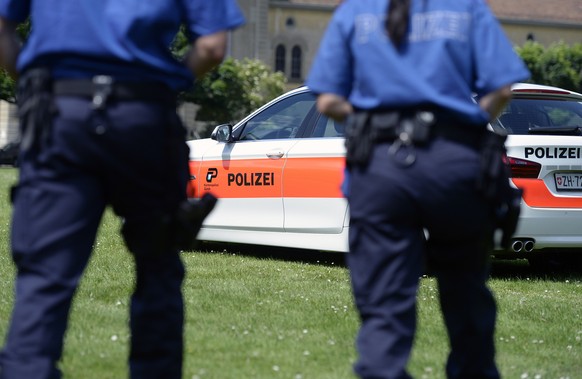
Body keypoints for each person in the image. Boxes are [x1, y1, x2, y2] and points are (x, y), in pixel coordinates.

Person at [0, 2, 244, 378]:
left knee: (43, 277)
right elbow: (212, 46)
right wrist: (165, 82)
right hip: (143, 117)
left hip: (60, 115)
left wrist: (33, 82)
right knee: (157, 267)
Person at [306, 0, 530, 378]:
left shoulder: (354, 11)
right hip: (455, 164)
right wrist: (469, 121)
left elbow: (327, 99)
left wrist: (369, 121)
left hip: (379, 167)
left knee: (384, 306)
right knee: (466, 294)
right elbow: (502, 89)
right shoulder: (465, 8)